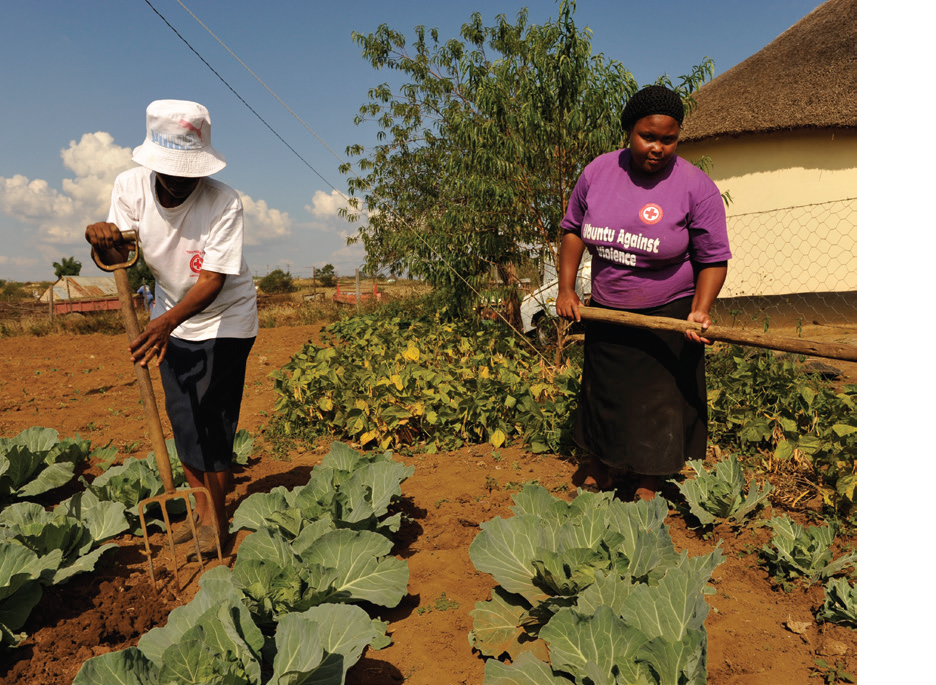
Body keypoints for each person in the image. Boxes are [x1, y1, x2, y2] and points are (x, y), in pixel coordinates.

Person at [86, 99, 258, 557]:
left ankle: (213, 520)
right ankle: (204, 510)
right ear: (155, 164)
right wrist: (100, 235)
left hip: (225, 317)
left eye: (191, 171)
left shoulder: (223, 201)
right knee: (183, 419)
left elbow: (214, 281)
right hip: (171, 320)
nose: (183, 180)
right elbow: (117, 253)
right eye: (174, 171)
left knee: (213, 421)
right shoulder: (130, 187)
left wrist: (164, 322)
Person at [555, 85, 731, 501]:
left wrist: (700, 310)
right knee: (604, 394)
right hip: (606, 309)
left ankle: (649, 481)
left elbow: (713, 257)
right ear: (628, 132)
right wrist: (567, 289)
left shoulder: (695, 186)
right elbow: (574, 229)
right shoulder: (598, 172)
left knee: (657, 403)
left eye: (668, 139)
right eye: (647, 137)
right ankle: (602, 465)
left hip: (667, 314)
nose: (658, 148)